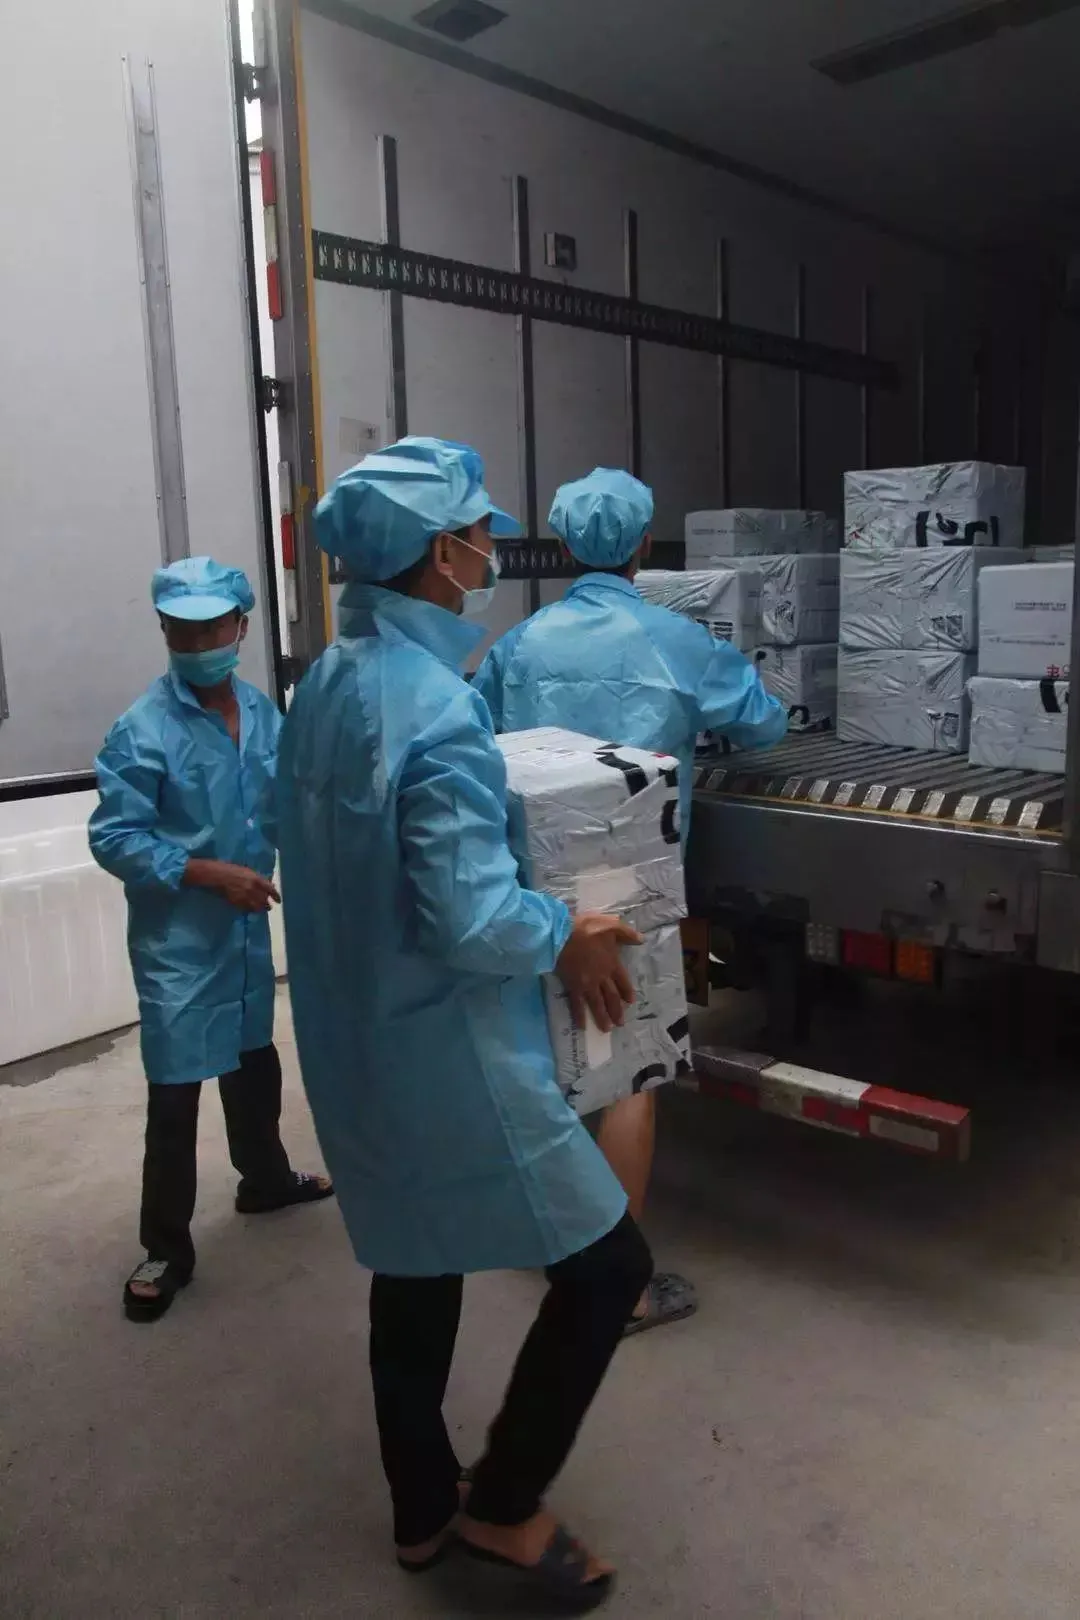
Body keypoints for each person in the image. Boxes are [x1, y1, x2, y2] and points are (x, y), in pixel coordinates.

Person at [275, 437, 653, 1610]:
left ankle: (421, 1508)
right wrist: (568, 933)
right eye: (483, 532)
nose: (494, 549)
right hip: (446, 1049)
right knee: (610, 1267)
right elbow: (473, 918)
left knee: (413, 1254)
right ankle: (502, 1506)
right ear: (443, 554)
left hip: (353, 1039)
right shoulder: (435, 709)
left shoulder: (324, 687)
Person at [474, 468, 787, 1336]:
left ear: (562, 545)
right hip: (632, 881)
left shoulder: (520, 643)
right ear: (646, 545)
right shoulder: (675, 641)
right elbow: (764, 723)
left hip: (537, 884)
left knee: (549, 1060)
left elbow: (481, 735)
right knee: (628, 1073)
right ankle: (615, 1289)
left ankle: (548, 1235)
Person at [88, 557, 333, 1324]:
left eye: (212, 628)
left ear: (242, 626)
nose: (199, 643)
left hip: (247, 934)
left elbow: (288, 806)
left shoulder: (264, 716)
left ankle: (265, 1181)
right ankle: (166, 1247)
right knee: (175, 1092)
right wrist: (205, 872)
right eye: (183, 631)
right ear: (165, 632)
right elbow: (114, 837)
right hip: (181, 942)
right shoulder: (142, 730)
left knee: (254, 1064)